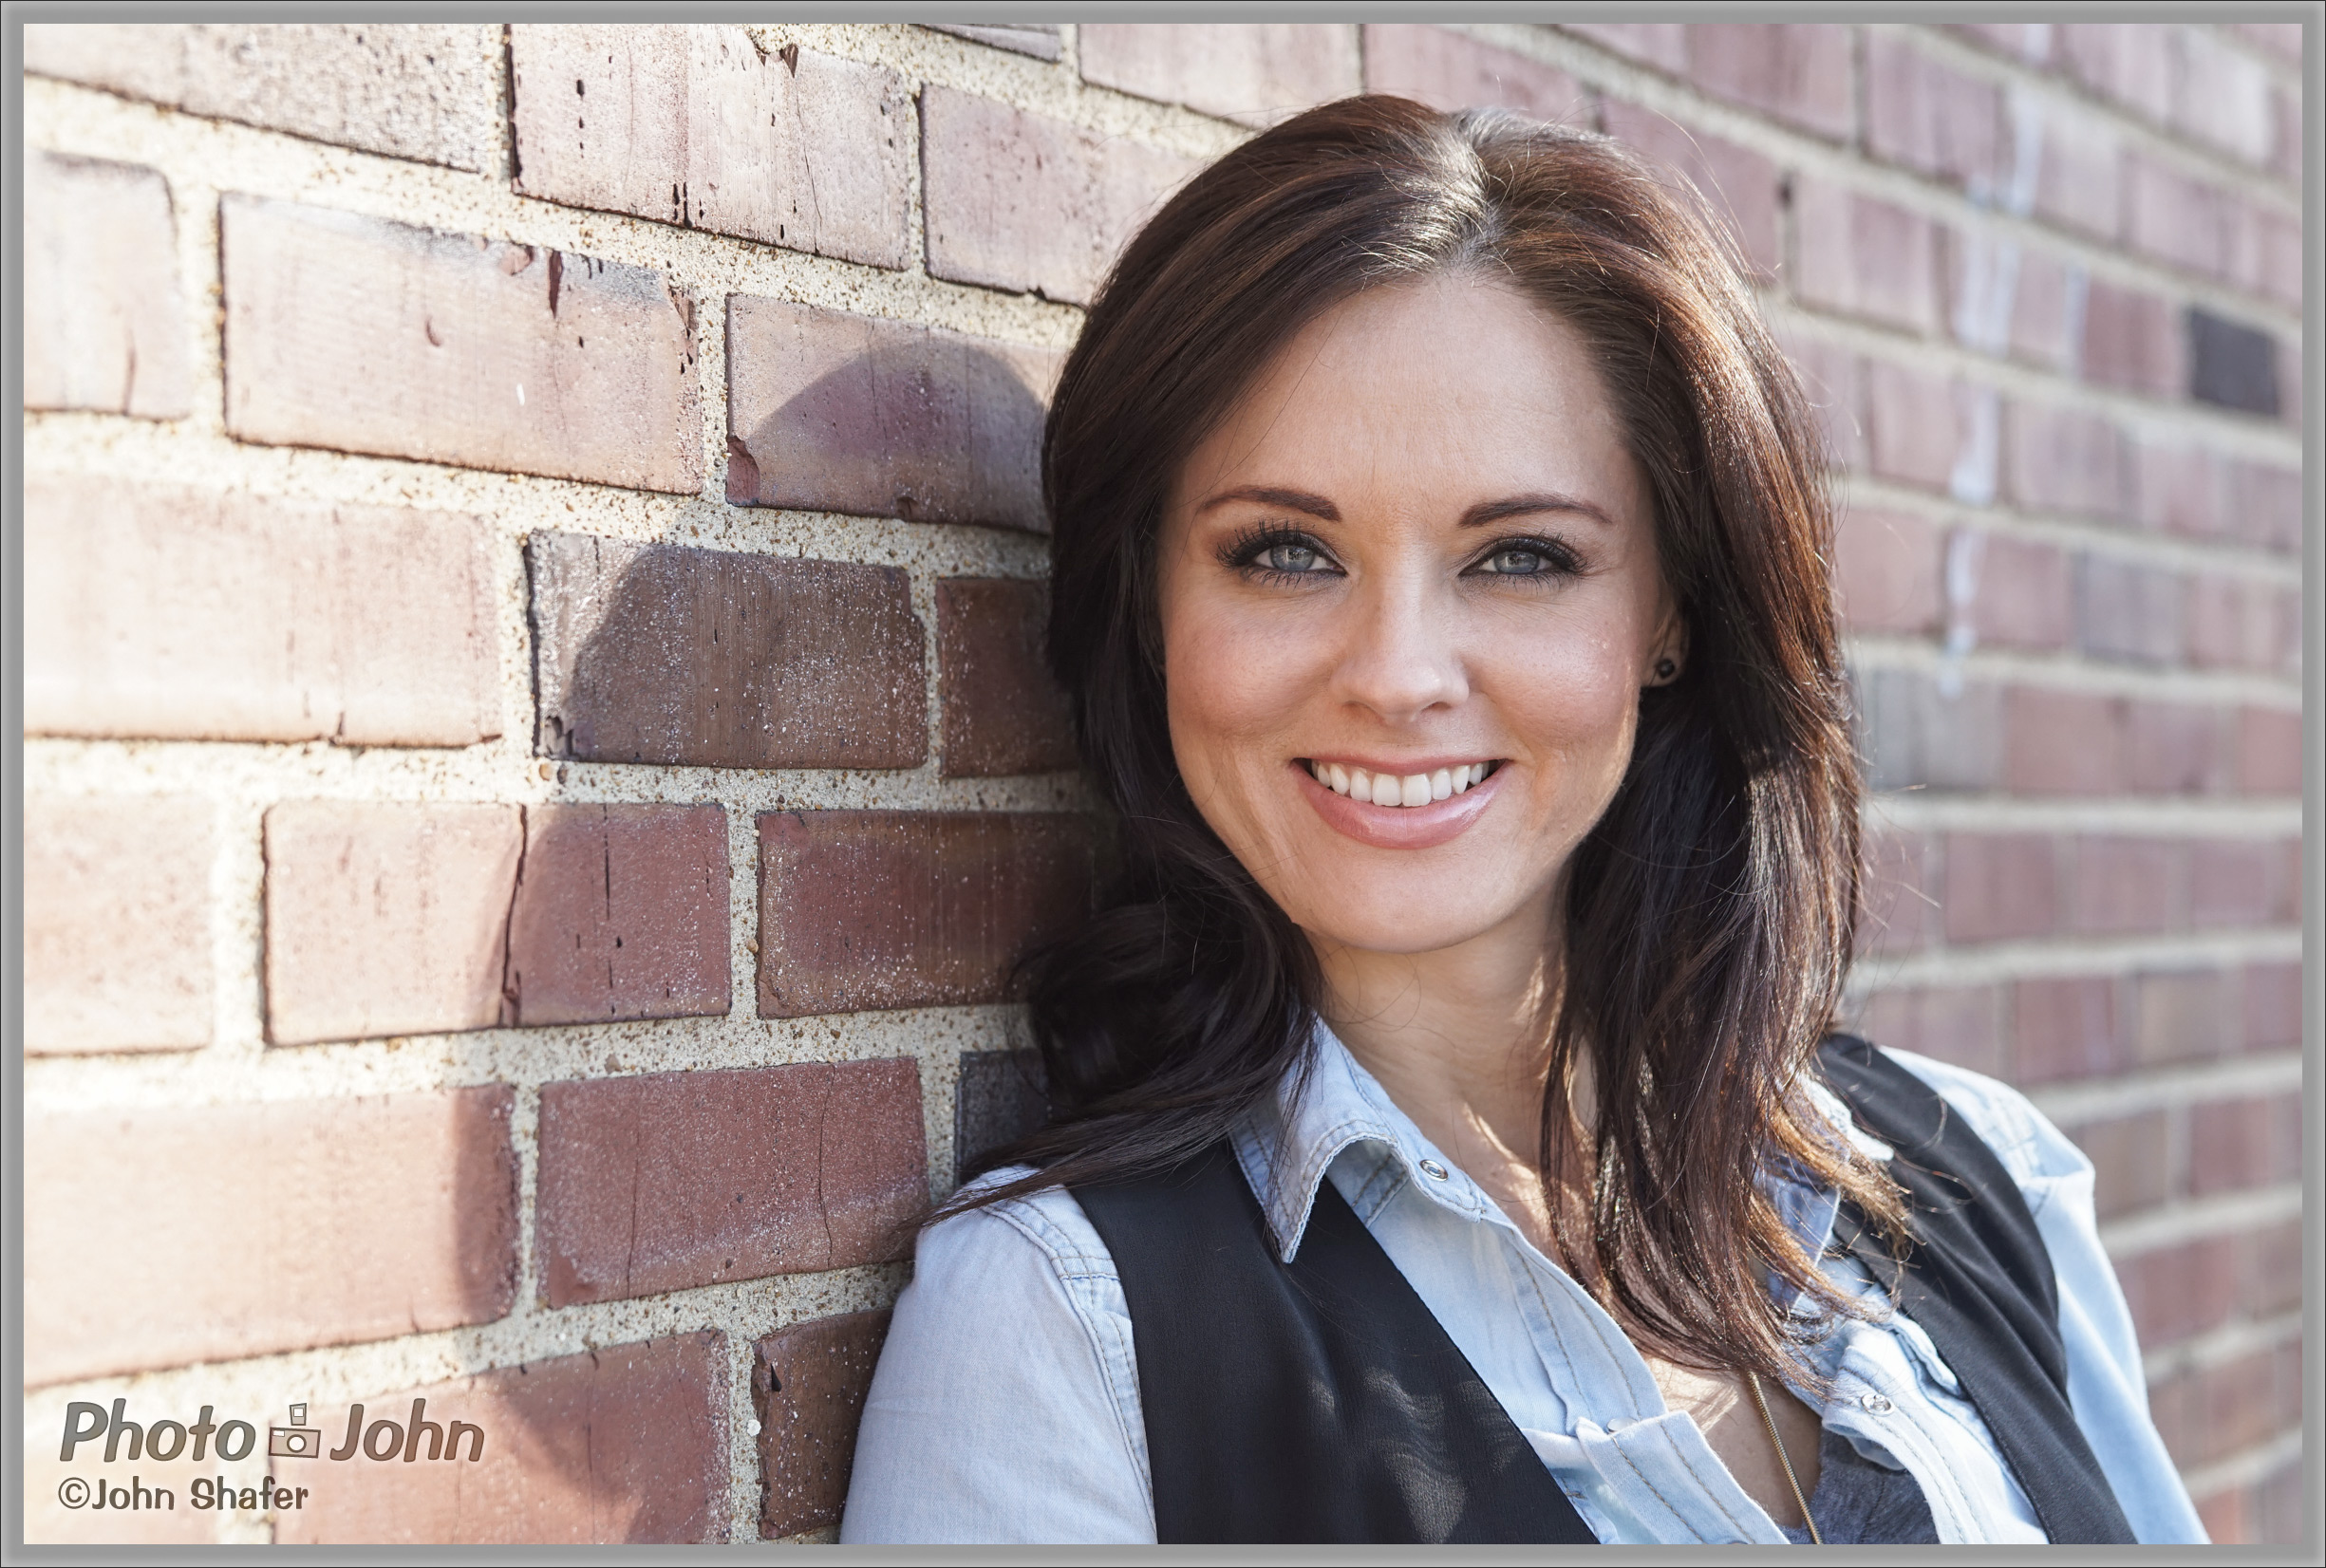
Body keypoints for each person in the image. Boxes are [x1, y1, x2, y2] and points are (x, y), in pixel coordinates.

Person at [840, 96, 2204, 1546]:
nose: (1397, 676)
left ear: (1671, 610)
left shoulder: (1972, 1168)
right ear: (1154, 607)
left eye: (1521, 557)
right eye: (1284, 552)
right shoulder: (1064, 1324)